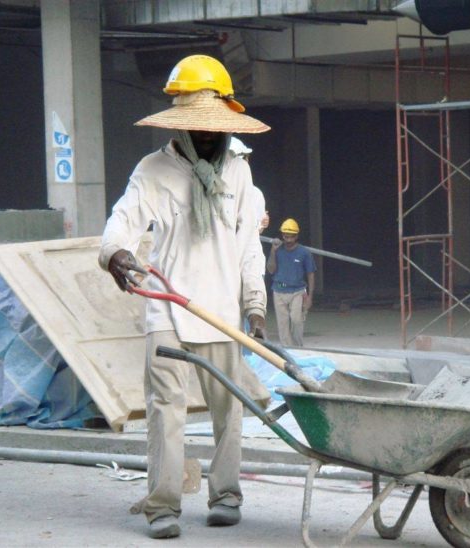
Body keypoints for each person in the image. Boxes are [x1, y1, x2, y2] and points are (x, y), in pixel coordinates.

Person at [98, 54, 271, 539]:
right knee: (165, 411)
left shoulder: (238, 173)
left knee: (228, 409)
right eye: (199, 127)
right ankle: (162, 507)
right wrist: (115, 254)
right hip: (167, 309)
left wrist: (255, 305)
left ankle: (226, 494)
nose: (209, 135)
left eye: (215, 127)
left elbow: (247, 247)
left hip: (222, 312)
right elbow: (123, 221)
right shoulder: (153, 170)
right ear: (180, 125)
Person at [266, 218, 316, 347]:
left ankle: (298, 347)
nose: (287, 240)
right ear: (282, 235)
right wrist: (273, 251)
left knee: (296, 320)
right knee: (282, 324)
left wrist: (310, 296)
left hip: (297, 291)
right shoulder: (277, 250)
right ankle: (287, 349)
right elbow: (271, 270)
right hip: (279, 290)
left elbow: (311, 274)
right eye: (285, 236)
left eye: (290, 237)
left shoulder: (304, 253)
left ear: (296, 236)